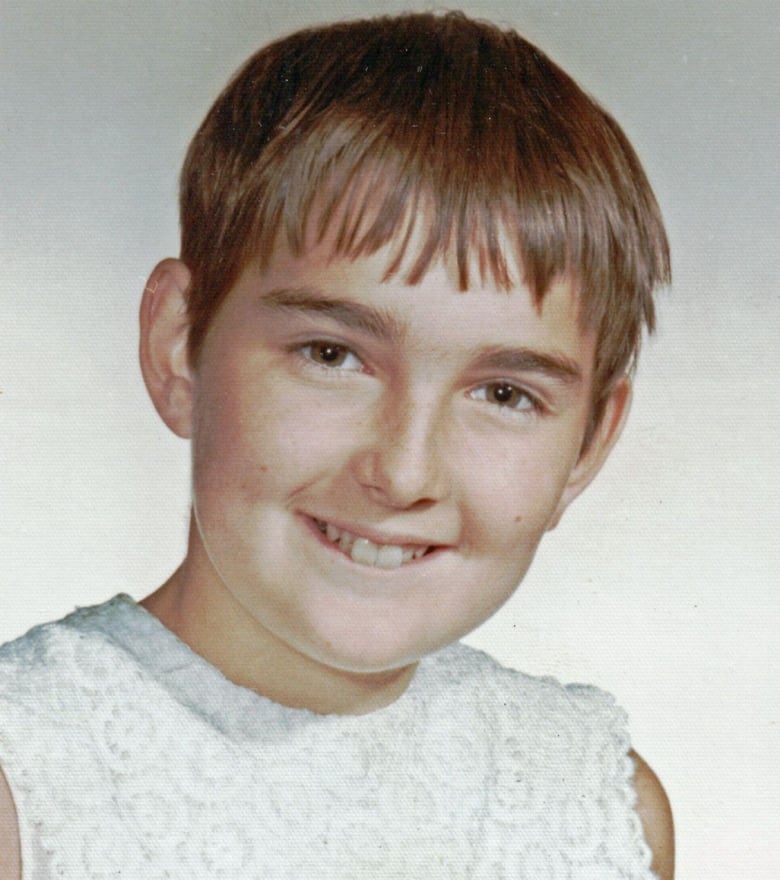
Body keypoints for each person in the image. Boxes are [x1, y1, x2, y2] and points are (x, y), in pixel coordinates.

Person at [0, 11, 674, 878]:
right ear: (179, 346)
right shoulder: (28, 780)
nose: (401, 472)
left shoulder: (596, 802)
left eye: (504, 394)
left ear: (587, 446)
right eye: (333, 356)